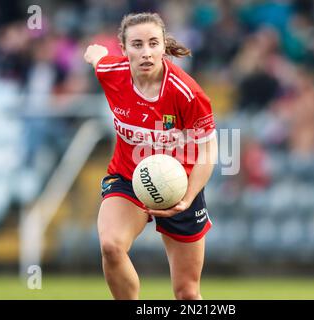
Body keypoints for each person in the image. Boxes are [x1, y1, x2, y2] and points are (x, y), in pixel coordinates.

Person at [83, 12, 218, 300]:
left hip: (180, 186)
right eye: (137, 45)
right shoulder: (111, 73)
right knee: (111, 246)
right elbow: (98, 58)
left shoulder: (187, 93)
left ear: (163, 47)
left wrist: (186, 198)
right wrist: (95, 53)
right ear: (124, 49)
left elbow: (208, 151)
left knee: (187, 293)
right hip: (128, 178)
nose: (146, 53)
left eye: (153, 43)